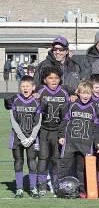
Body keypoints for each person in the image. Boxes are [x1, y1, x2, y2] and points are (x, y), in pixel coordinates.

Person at [58, 80, 99, 198]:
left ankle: (83, 190)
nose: (86, 96)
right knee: (64, 165)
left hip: (86, 143)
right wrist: (61, 135)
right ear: (78, 93)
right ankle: (61, 187)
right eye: (83, 93)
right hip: (70, 142)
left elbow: (96, 127)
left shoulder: (94, 107)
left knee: (83, 168)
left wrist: (98, 143)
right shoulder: (72, 105)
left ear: (92, 94)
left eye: (88, 93)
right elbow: (64, 121)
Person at [37, 67, 69, 197]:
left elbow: (66, 117)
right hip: (44, 130)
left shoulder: (63, 93)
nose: (54, 80)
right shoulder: (41, 92)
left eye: (56, 78)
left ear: (60, 79)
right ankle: (42, 186)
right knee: (43, 158)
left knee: (57, 159)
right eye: (50, 78)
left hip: (57, 131)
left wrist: (62, 134)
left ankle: (56, 186)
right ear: (45, 80)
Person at [8, 76, 41, 198]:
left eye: (27, 86)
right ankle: (19, 189)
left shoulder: (37, 101)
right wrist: (22, 137)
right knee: (18, 161)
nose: (25, 88)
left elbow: (38, 122)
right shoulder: (14, 100)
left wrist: (32, 138)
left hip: (32, 137)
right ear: (19, 87)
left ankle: (33, 188)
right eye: (22, 86)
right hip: (17, 137)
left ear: (33, 87)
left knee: (32, 162)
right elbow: (13, 120)